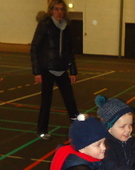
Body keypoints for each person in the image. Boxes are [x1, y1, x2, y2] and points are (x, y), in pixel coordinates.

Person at [30, 0, 79, 140]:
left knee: (71, 102)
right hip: (47, 70)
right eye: (56, 9)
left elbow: (69, 51)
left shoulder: (66, 27)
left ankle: (79, 130)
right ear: (51, 10)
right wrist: (37, 71)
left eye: (61, 9)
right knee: (46, 102)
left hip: (62, 70)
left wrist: (73, 71)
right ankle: (42, 130)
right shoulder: (44, 26)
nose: (59, 12)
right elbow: (34, 48)